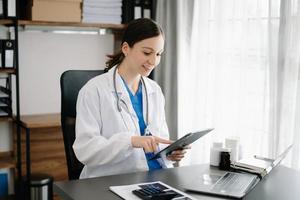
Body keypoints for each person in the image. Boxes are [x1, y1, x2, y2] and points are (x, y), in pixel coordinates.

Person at [73, 18, 188, 179]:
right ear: (126, 48)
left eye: (158, 54)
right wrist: (130, 141)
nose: (153, 61)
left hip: (156, 177)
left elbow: (157, 141)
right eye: (147, 53)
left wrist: (169, 154)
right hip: (113, 180)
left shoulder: (154, 90)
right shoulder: (94, 90)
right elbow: (86, 150)